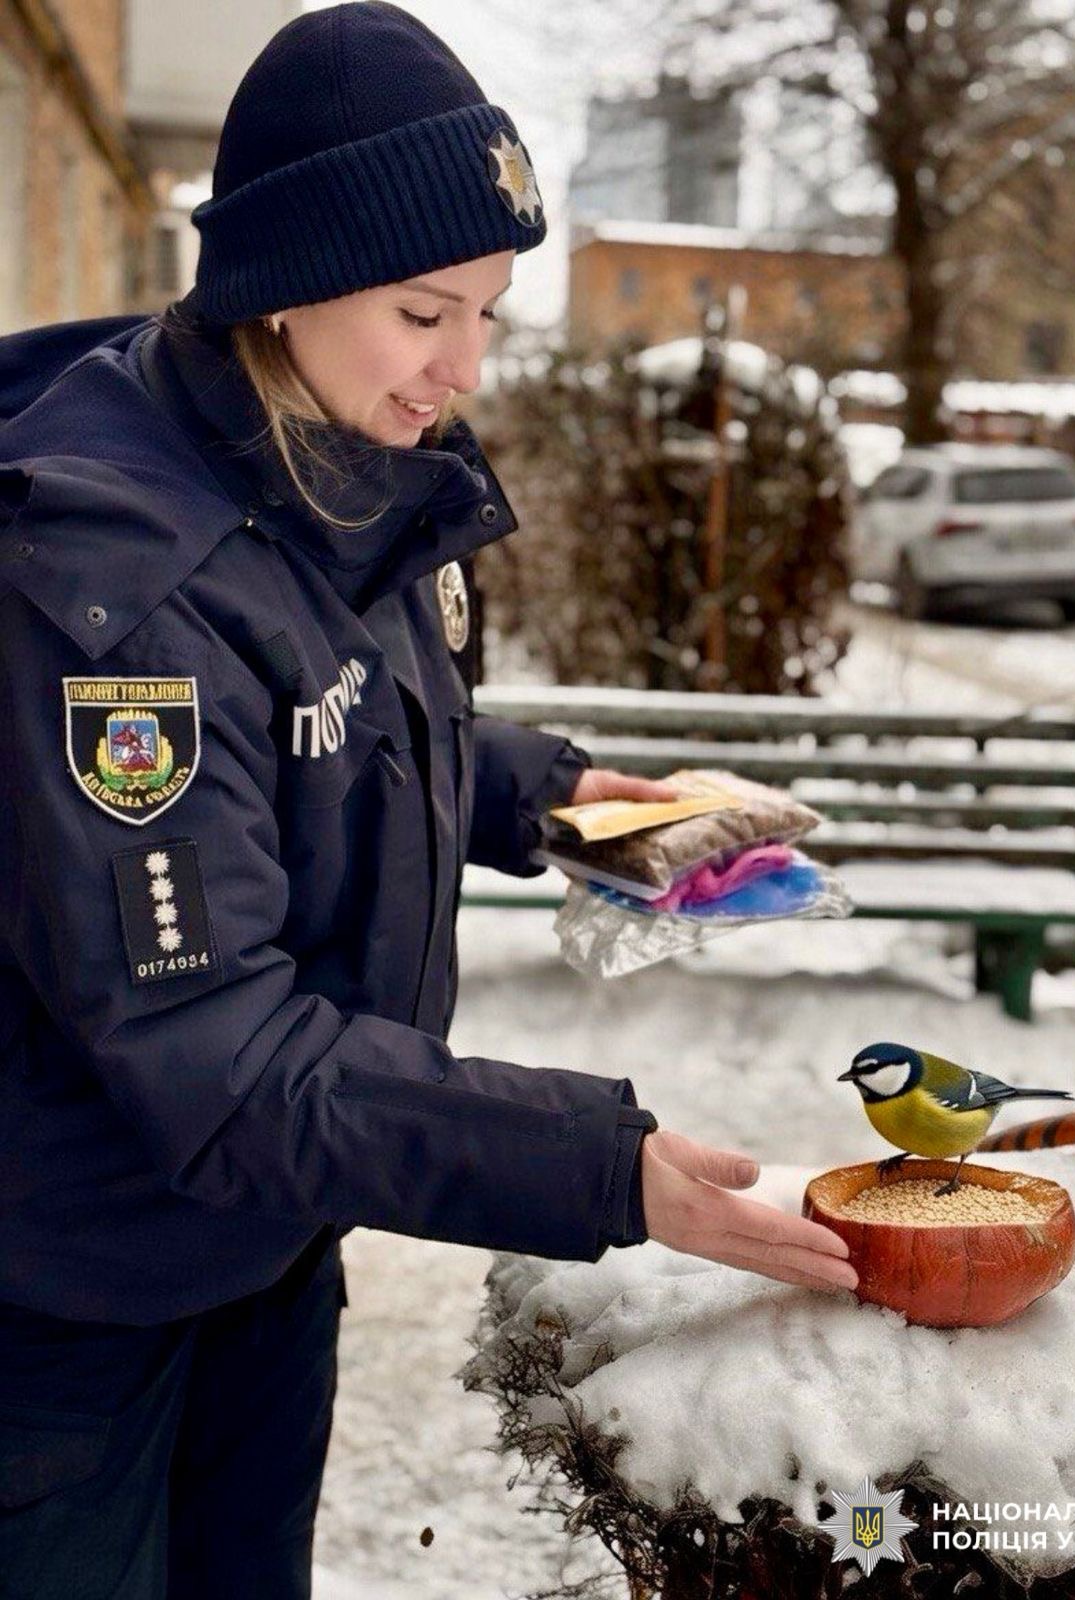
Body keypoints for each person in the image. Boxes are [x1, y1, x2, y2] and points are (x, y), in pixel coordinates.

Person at [0, 6, 857, 1596]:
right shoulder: (114, 576)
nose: (461, 372)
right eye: (421, 313)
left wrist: (563, 798)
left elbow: (336, 719)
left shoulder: (320, 454)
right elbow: (214, 1053)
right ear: (281, 285)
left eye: (486, 314)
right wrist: (592, 1166)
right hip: (69, 1292)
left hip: (266, 1240)